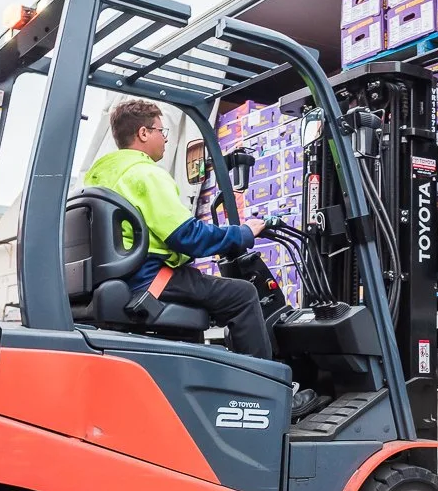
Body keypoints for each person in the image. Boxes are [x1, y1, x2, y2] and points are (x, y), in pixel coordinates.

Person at [84, 99, 318, 411]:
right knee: (243, 295)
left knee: (214, 296)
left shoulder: (99, 178)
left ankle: (221, 387)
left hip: (126, 278)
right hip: (151, 279)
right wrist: (243, 233)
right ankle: (268, 399)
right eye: (160, 131)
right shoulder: (146, 174)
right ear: (142, 133)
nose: (165, 138)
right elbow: (186, 236)